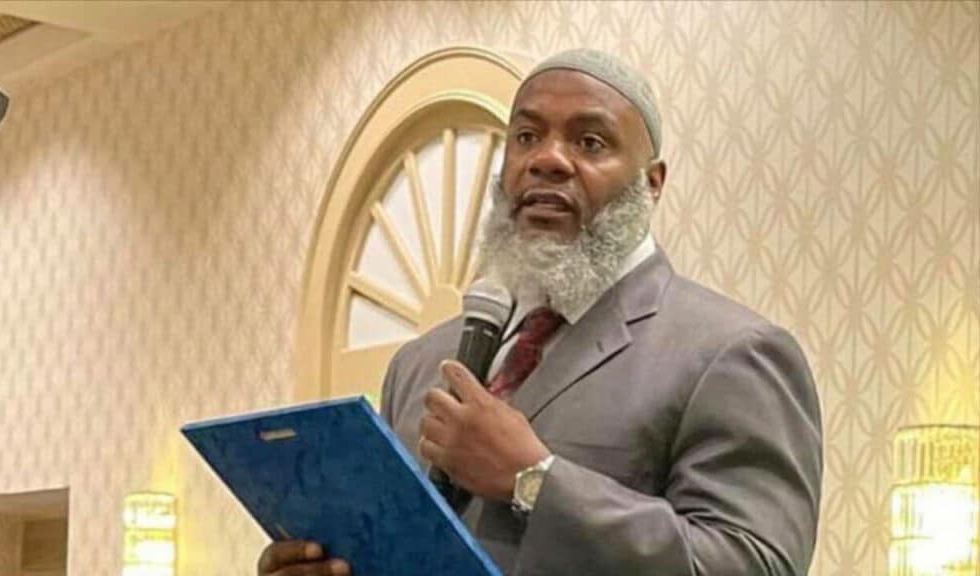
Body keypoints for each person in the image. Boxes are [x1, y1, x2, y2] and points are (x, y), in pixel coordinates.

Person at [258, 48, 822, 576]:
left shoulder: (732, 354)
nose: (547, 159)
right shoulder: (421, 362)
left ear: (651, 183)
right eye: (526, 137)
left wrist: (534, 482)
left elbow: (755, 563)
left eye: (590, 142)